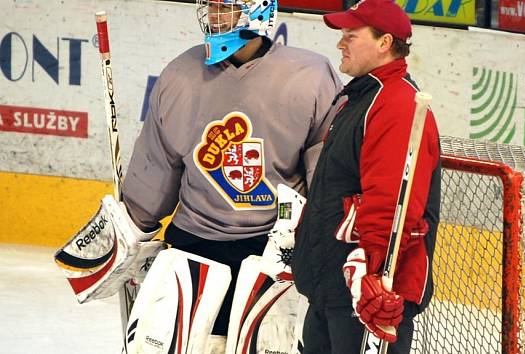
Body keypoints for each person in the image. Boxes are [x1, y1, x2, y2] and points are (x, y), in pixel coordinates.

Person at [120, 0, 342, 351]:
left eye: (226, 7)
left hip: (273, 250)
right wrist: (128, 228)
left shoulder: (311, 76)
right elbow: (155, 169)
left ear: (260, 11)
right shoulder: (180, 74)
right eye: (210, 6)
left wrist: (326, 243)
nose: (213, 16)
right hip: (193, 245)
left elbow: (326, 176)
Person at [291, 0, 441, 353]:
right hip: (332, 287)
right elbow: (337, 188)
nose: (340, 44)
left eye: (350, 35)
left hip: (365, 298)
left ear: (384, 43)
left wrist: (370, 271)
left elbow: (392, 204)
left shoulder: (397, 105)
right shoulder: (361, 97)